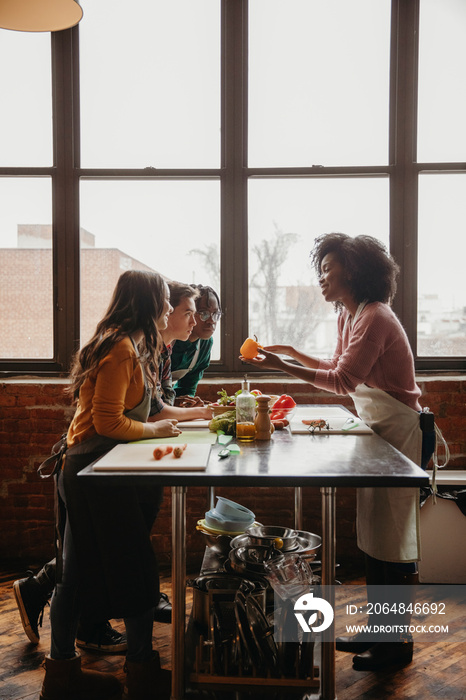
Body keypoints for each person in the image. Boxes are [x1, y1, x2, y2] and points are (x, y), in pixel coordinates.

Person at [241, 233, 435, 673]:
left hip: (401, 431)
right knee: (373, 536)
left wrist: (278, 366)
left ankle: (396, 644)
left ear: (354, 272)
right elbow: (335, 368)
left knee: (392, 541)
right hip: (381, 430)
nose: (322, 278)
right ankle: (378, 629)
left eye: (328, 269)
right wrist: (289, 353)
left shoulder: (376, 317)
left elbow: (343, 383)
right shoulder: (351, 316)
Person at [40, 270, 181, 700]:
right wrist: (156, 433)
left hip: (85, 469)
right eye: (166, 301)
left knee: (73, 576)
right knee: (137, 567)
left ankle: (61, 677)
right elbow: (108, 422)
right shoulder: (121, 348)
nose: (171, 310)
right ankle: (141, 673)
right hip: (94, 474)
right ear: (147, 304)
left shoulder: (129, 344)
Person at [149, 280, 214, 422]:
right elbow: (153, 413)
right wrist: (203, 412)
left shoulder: (165, 349)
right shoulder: (146, 351)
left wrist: (181, 405)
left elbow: (163, 404)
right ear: (167, 312)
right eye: (188, 314)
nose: (194, 322)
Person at [170, 284, 221, 407]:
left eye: (215, 314)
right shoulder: (168, 340)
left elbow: (186, 388)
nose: (211, 321)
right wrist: (170, 402)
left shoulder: (205, 343)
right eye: (203, 313)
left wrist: (187, 402)